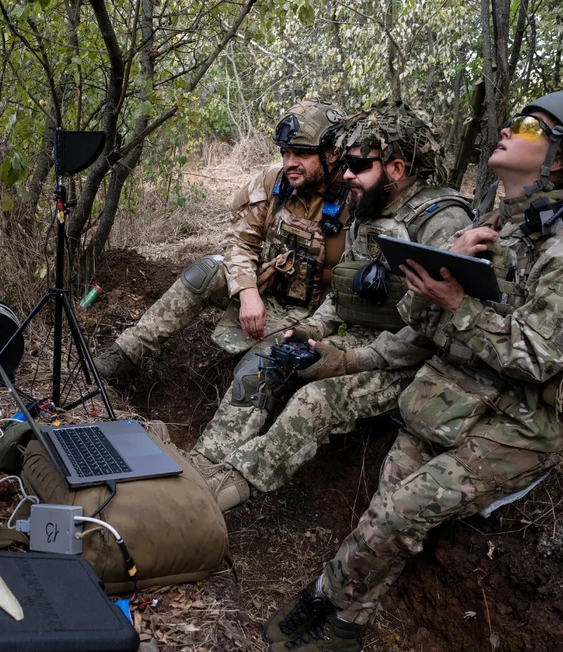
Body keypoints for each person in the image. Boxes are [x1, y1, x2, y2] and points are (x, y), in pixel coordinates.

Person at [262, 91, 563, 651]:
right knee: (387, 511)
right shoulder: (501, 225)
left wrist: (458, 306)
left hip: (519, 424)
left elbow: (537, 357)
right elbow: (419, 318)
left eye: (529, 126)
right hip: (455, 393)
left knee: (397, 516)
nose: (508, 129)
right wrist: (444, 264)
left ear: (560, 158)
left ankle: (321, 595)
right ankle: (347, 626)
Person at [190, 101, 472, 512]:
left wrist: (350, 361)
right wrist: (314, 330)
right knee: (272, 358)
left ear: (396, 168)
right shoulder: (369, 208)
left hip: (406, 362)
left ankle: (226, 489)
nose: (348, 175)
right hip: (356, 339)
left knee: (315, 400)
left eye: (358, 165)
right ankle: (203, 462)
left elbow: (429, 332)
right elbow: (341, 293)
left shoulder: (442, 224)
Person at [92, 99, 351, 388]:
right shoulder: (273, 181)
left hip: (313, 318)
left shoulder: (356, 198)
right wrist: (247, 291)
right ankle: (124, 355)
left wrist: (312, 330)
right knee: (206, 272)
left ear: (332, 153)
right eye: (286, 152)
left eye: (302, 153)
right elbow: (240, 241)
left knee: (254, 373)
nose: (290, 163)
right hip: (266, 289)